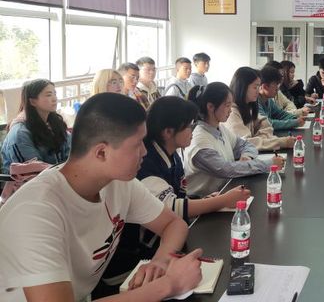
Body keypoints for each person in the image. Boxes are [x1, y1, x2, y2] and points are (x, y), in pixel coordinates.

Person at [0, 93, 203, 301]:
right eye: (137, 144)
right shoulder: (35, 211)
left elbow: (173, 224)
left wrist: (160, 262)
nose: (144, 152)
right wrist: (169, 284)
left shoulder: (119, 182)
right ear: (101, 153)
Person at [104, 96, 251, 283]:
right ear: (168, 132)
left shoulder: (172, 156)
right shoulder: (144, 164)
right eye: (189, 125)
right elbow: (172, 208)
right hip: (135, 263)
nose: (193, 130)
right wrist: (221, 201)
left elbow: (176, 203)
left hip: (162, 249)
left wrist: (203, 199)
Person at [182, 82, 284, 197]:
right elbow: (227, 169)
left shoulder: (220, 128)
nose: (230, 110)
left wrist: (247, 157)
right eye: (227, 105)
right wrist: (269, 164)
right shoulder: (200, 141)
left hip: (225, 193)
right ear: (210, 107)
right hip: (205, 202)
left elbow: (247, 145)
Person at [1, 79, 71, 174]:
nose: (54, 99)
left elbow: (71, 153)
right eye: (48, 95)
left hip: (58, 176)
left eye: (55, 94)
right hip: (32, 181)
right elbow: (32, 171)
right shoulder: (20, 133)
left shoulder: (54, 123)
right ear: (33, 101)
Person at [225, 66, 295, 151]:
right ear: (242, 87)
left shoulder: (249, 106)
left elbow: (266, 124)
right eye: (255, 87)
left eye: (258, 87)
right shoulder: (231, 112)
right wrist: (280, 142)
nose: (258, 91)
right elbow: (245, 143)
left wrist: (260, 139)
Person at [257, 66, 305, 131]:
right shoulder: (255, 101)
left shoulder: (269, 100)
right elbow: (267, 123)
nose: (278, 88)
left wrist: (294, 118)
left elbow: (280, 114)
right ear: (265, 86)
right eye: (275, 84)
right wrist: (294, 122)